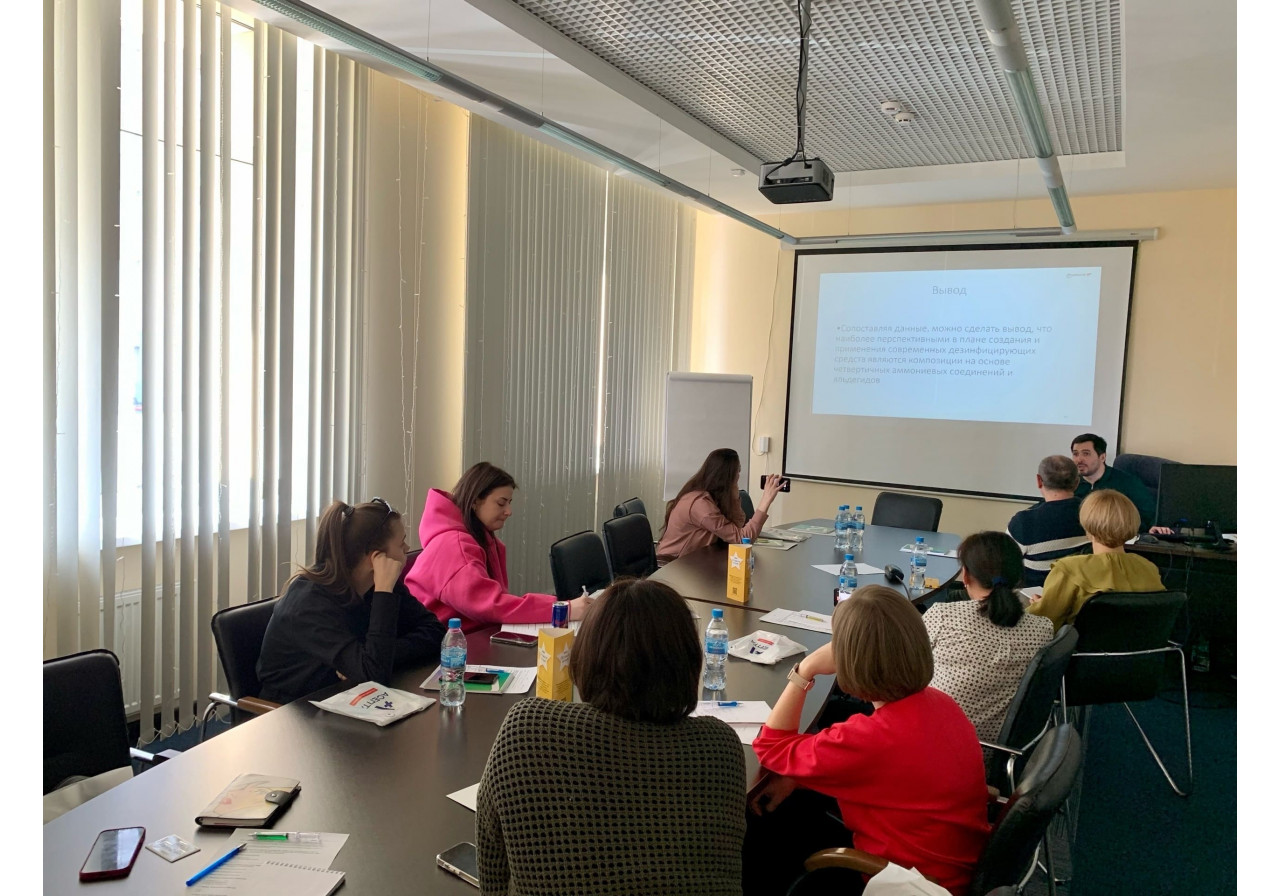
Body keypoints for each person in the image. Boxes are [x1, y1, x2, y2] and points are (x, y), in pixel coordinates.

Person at [475, 578, 746, 896]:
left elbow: (493, 877)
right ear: (689, 663)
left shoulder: (526, 732)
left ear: (585, 658)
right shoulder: (721, 748)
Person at [746, 586, 990, 896]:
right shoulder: (942, 703)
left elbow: (770, 748)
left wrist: (805, 670)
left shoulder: (870, 738)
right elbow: (884, 773)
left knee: (765, 836)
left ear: (847, 661)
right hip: (951, 866)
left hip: (909, 884)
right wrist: (797, 777)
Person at [256, 498, 446, 705]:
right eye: (401, 544)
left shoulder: (377, 582)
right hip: (293, 711)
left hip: (348, 700)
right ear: (375, 558)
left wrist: (377, 655)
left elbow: (436, 631)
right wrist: (383, 593)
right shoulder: (309, 605)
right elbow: (374, 675)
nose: (407, 548)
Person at [405, 462, 592, 632]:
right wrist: (563, 609)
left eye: (509, 503)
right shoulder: (454, 546)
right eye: (501, 503)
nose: (508, 511)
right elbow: (491, 605)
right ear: (475, 501)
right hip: (446, 645)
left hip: (472, 633)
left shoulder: (481, 536)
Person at [923, 532, 1054, 745]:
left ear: (965, 575)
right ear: (1018, 576)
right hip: (1005, 751)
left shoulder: (943, 616)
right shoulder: (1043, 629)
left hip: (937, 744)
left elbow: (901, 673)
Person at [1028, 489, 1164, 631]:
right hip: (1143, 645)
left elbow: (1040, 626)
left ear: (1086, 524)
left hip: (1080, 645)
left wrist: (1039, 606)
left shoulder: (1068, 570)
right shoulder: (1149, 568)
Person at [656, 448, 783, 565]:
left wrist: (734, 494)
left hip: (697, 560)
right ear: (727, 475)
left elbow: (737, 525)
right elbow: (742, 540)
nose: (739, 474)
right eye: (737, 470)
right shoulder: (700, 504)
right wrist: (766, 500)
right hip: (674, 564)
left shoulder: (713, 496)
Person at [1006, 455, 1090, 587]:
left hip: (1035, 595)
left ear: (1039, 480)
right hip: (1082, 594)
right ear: (1077, 483)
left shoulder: (1023, 522)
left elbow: (1004, 564)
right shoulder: (1094, 514)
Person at [1070, 433, 1157, 530]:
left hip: (1116, 534)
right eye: (1075, 454)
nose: (1079, 460)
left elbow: (1147, 517)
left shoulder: (1127, 482)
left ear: (1102, 457)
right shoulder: (1069, 483)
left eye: (1086, 454)